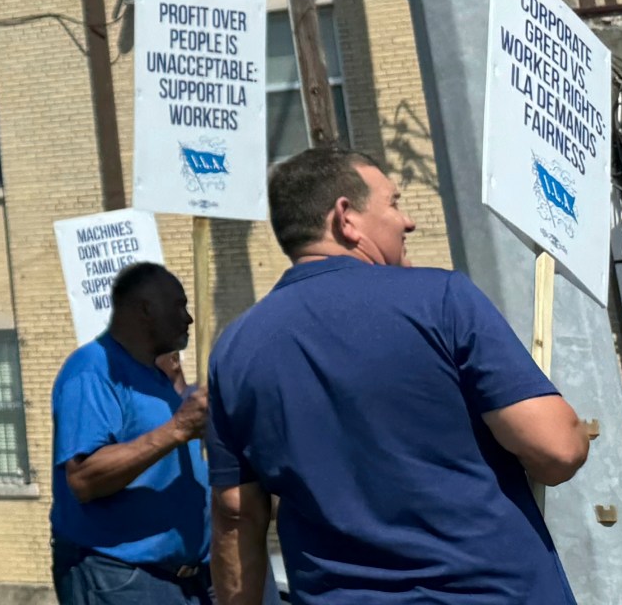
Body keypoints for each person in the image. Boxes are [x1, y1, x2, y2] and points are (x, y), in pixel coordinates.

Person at [207, 148, 592, 605]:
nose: (407, 221)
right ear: (345, 218)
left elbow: (236, 517)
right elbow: (557, 449)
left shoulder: (234, 350)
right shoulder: (442, 299)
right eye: (392, 203)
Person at [49, 262, 209, 603]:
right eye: (179, 306)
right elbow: (84, 478)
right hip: (119, 576)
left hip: (178, 579)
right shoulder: (92, 370)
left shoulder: (154, 375)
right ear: (146, 310)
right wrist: (179, 427)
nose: (188, 318)